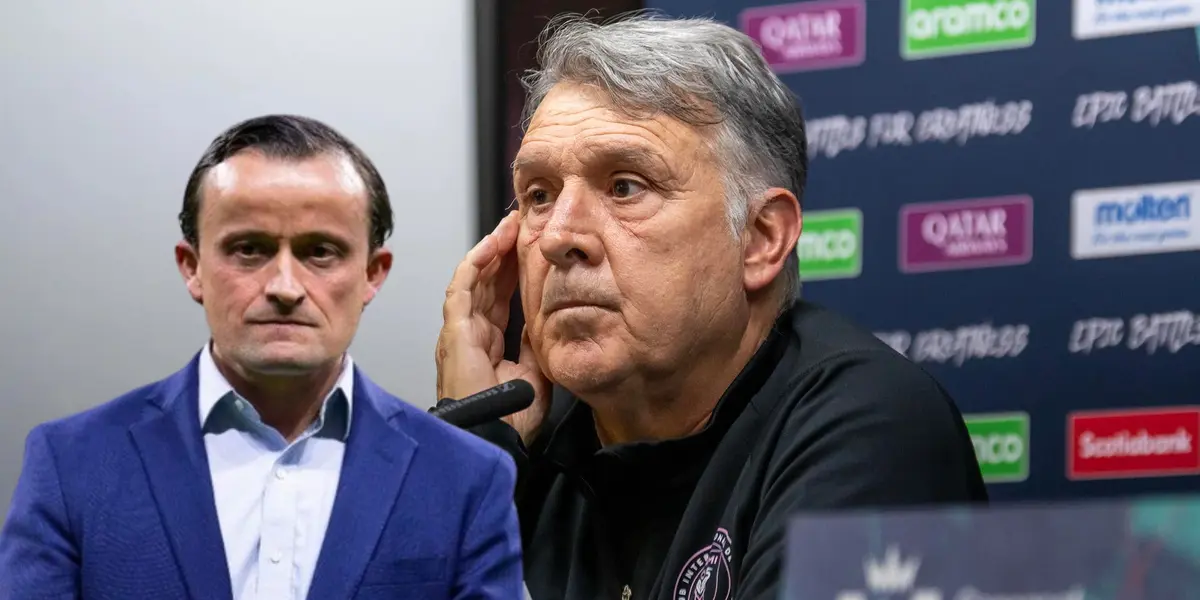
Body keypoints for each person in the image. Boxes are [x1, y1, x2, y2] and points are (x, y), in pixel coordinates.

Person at [435, 13, 988, 600]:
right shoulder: (523, 439)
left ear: (760, 237)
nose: (556, 236)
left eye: (625, 186)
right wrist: (474, 451)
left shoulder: (871, 426)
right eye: (539, 195)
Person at [0, 115, 524, 599]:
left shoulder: (466, 480)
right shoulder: (72, 466)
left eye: (321, 251)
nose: (285, 287)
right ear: (192, 267)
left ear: (372, 273)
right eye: (249, 249)